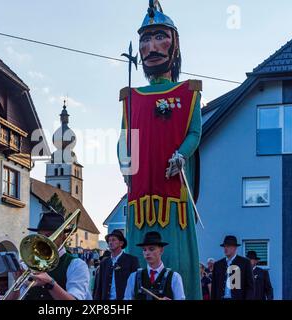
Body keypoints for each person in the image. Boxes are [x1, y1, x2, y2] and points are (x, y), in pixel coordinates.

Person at [118, 0, 203, 300]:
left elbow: (195, 133)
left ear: (174, 44)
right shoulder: (131, 97)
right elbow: (125, 138)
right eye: (145, 38)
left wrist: (181, 154)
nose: (151, 46)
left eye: (159, 37)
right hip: (141, 189)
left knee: (177, 257)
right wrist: (126, 164)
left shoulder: (188, 91)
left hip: (173, 189)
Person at [9, 210, 91, 300]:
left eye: (48, 236)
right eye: (40, 235)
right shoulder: (30, 263)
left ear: (63, 236)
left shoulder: (76, 265)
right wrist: (17, 282)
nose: (43, 240)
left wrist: (50, 284)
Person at [124, 231, 185, 300]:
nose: (147, 253)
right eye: (144, 250)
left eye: (151, 249)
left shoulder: (174, 277)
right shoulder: (133, 277)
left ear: (161, 250)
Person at [93, 230, 139, 300]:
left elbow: (137, 285)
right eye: (109, 241)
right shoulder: (104, 262)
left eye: (113, 240)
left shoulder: (131, 260)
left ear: (121, 243)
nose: (110, 242)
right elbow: (99, 286)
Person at [211, 236, 254, 300]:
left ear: (235, 248)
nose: (225, 248)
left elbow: (250, 286)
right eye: (224, 246)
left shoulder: (244, 263)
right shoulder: (218, 264)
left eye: (228, 246)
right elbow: (214, 287)